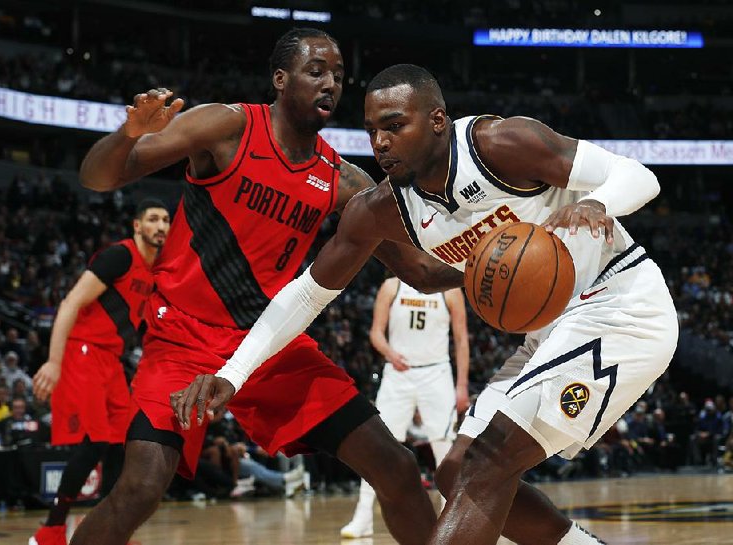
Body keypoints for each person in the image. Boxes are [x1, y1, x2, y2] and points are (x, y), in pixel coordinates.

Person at [198, 64, 679, 545]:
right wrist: (233, 373)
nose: (380, 143)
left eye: (393, 125)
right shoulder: (383, 208)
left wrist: (599, 204)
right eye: (371, 131)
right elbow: (307, 293)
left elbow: (638, 175)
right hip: (549, 332)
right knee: (455, 472)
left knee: (490, 460)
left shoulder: (500, 144)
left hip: (619, 307)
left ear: (436, 120)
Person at [70, 29, 462, 545]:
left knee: (397, 467)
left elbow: (421, 272)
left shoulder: (344, 181)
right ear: (280, 79)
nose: (331, 84)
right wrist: (127, 134)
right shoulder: (226, 126)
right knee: (140, 488)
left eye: (339, 76)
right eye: (316, 71)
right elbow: (97, 177)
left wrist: (495, 258)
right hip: (183, 339)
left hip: (267, 343)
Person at [29, 198, 170, 545]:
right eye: (153, 219)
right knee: (95, 443)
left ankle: (111, 532)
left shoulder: (157, 272)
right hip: (83, 352)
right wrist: (53, 361)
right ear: (138, 226)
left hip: (110, 360)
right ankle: (50, 531)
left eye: (166, 220)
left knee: (124, 446)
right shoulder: (120, 256)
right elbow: (70, 303)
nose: (161, 226)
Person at [341, 277, 469, 538]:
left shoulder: (450, 290)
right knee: (379, 447)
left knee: (444, 446)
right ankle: (363, 516)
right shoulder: (391, 286)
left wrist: (461, 385)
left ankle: (450, 515)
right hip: (398, 374)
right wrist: (390, 353)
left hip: (436, 372)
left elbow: (461, 339)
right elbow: (376, 332)